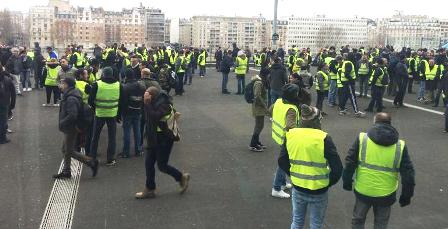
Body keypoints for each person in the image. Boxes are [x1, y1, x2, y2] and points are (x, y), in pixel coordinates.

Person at [343, 112, 415, 229]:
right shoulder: (400, 146)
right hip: (386, 194)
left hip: (363, 190)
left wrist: (346, 181)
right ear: (389, 124)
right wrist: (407, 195)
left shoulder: (362, 139)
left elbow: (350, 162)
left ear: (375, 122)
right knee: (381, 224)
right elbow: (408, 173)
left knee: (358, 220)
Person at [278, 104, 342, 229]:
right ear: (317, 120)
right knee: (316, 224)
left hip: (298, 186)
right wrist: (328, 182)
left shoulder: (291, 135)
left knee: (297, 221)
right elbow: (337, 168)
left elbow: (281, 160)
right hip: (319, 190)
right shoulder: (324, 138)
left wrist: (293, 174)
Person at [135, 86, 190, 199]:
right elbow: (145, 114)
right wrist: (144, 102)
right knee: (149, 163)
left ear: (153, 96)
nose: (145, 97)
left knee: (162, 165)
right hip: (153, 138)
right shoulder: (152, 102)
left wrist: (147, 103)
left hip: (164, 139)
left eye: (147, 95)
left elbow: (154, 117)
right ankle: (149, 189)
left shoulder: (164, 104)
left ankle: (181, 177)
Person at [53, 77, 99, 179]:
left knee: (68, 150)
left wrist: (62, 122)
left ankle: (91, 162)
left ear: (67, 85)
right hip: (69, 127)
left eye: (62, 83)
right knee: (65, 149)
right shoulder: (71, 94)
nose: (60, 85)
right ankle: (67, 171)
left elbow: (72, 115)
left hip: (71, 128)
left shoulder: (71, 98)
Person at [270, 84, 302, 198]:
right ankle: (276, 187)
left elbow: (270, 110)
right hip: (288, 138)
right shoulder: (291, 109)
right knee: (283, 162)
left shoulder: (279, 101)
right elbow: (290, 126)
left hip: (279, 135)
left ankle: (282, 183)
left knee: (283, 160)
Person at [88, 67, 122, 166]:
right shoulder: (118, 85)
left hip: (100, 113)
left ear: (103, 74)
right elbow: (121, 101)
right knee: (112, 137)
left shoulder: (97, 84)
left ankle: (92, 157)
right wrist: (119, 115)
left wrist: (96, 108)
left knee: (95, 136)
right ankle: (110, 159)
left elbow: (90, 100)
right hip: (112, 114)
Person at [120, 68, 145, 158]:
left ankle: (126, 152)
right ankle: (138, 150)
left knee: (127, 131)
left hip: (127, 112)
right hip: (138, 110)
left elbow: (122, 101)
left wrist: (121, 113)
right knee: (137, 131)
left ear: (126, 76)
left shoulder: (124, 87)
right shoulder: (140, 85)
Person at [249, 71, 269, 152]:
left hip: (258, 107)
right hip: (258, 107)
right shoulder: (259, 83)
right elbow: (257, 95)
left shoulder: (258, 82)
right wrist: (264, 105)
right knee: (259, 126)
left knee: (260, 125)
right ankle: (253, 144)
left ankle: (256, 142)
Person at [0, 69, 16, 144]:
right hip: (4, 103)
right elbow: (13, 94)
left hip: (4, 103)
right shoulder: (8, 80)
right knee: (3, 121)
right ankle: (2, 138)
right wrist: (12, 105)